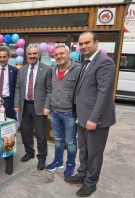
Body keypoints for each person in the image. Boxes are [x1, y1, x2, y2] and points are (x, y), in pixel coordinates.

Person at [65, 31, 116, 197]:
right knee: (84, 150)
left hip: (96, 120)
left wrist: (94, 118)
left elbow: (104, 94)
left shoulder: (105, 63)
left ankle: (90, 183)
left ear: (96, 43)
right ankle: (82, 174)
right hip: (82, 117)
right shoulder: (87, 62)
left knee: (94, 153)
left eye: (87, 43)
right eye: (80, 44)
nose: (83, 46)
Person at [14, 43, 52, 170]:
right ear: (26, 55)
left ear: (39, 54)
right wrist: (16, 104)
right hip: (24, 106)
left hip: (40, 107)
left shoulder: (47, 69)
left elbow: (49, 90)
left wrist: (47, 106)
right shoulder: (22, 70)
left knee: (41, 135)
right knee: (25, 132)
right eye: (29, 54)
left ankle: (42, 158)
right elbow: (18, 89)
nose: (32, 56)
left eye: (34, 53)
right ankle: (29, 152)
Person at [45, 44, 81, 177]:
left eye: (62, 53)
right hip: (55, 112)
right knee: (58, 140)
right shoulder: (53, 70)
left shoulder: (78, 70)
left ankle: (70, 165)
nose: (59, 56)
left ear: (69, 54)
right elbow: (51, 90)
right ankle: (58, 161)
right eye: (56, 54)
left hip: (70, 113)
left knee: (70, 142)